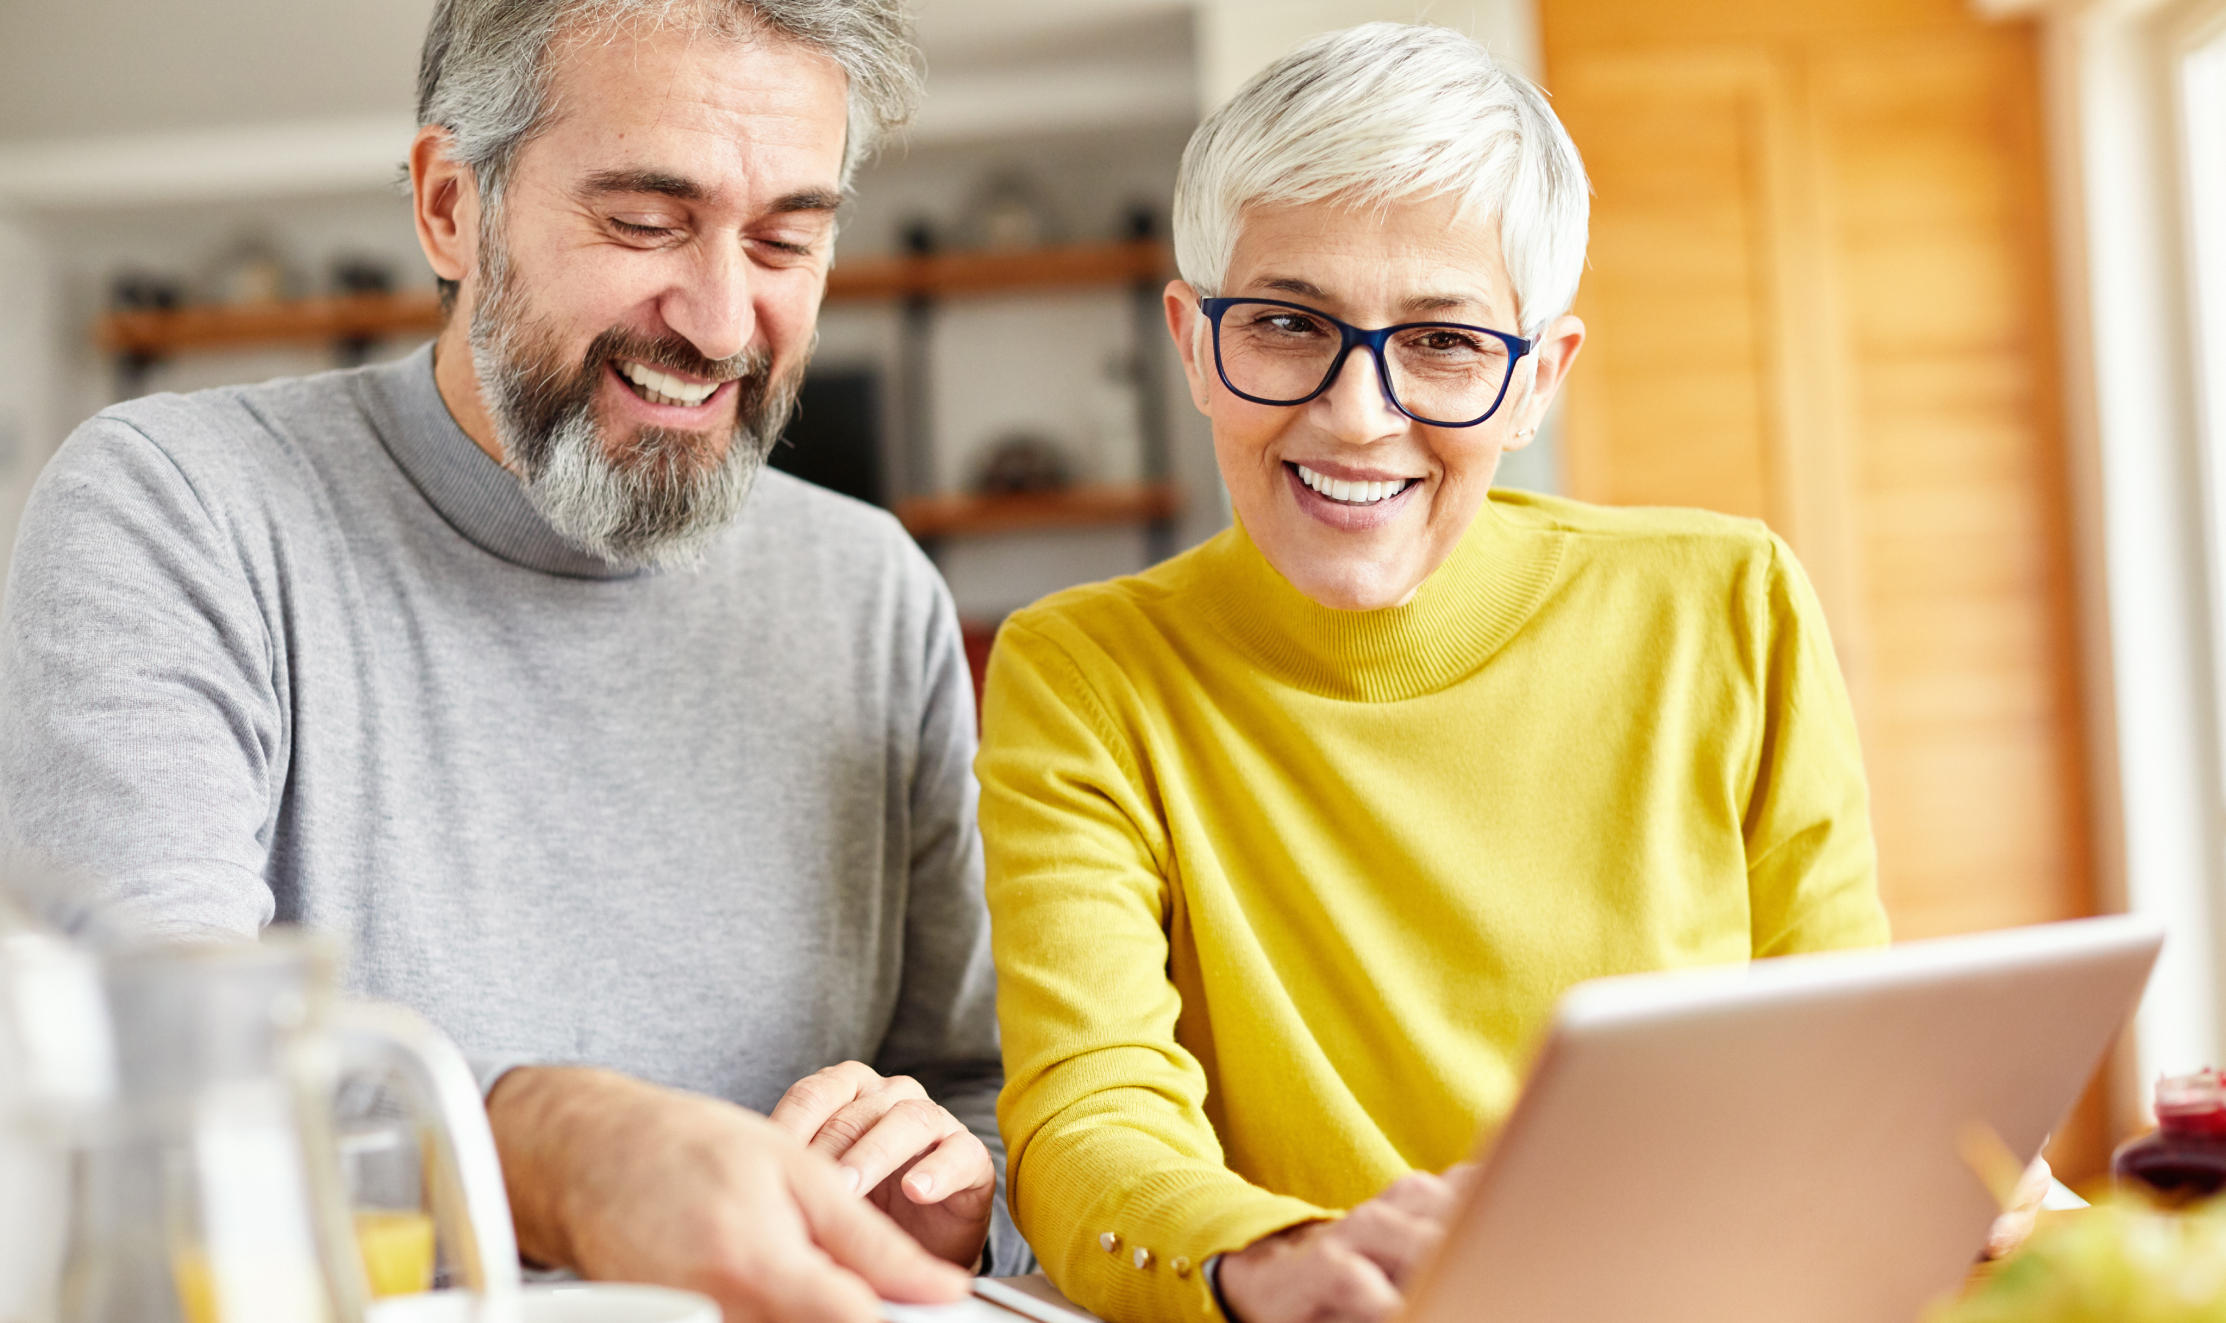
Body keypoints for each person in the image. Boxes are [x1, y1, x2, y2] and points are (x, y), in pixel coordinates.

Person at [0, 1, 1026, 1316]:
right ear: (450, 207)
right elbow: (144, 1105)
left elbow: (977, 1093)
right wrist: (533, 1148)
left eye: (785, 238)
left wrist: (955, 1198)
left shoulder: (870, 584)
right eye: (643, 224)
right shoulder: (181, 508)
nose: (719, 322)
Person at [977, 24, 1900, 1323]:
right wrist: (1270, 1261)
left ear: (1537, 381)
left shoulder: (1726, 603)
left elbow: (1845, 1051)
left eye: (1446, 345)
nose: (1357, 414)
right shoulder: (1085, 672)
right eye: (1288, 324)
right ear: (1192, 343)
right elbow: (1086, 1113)